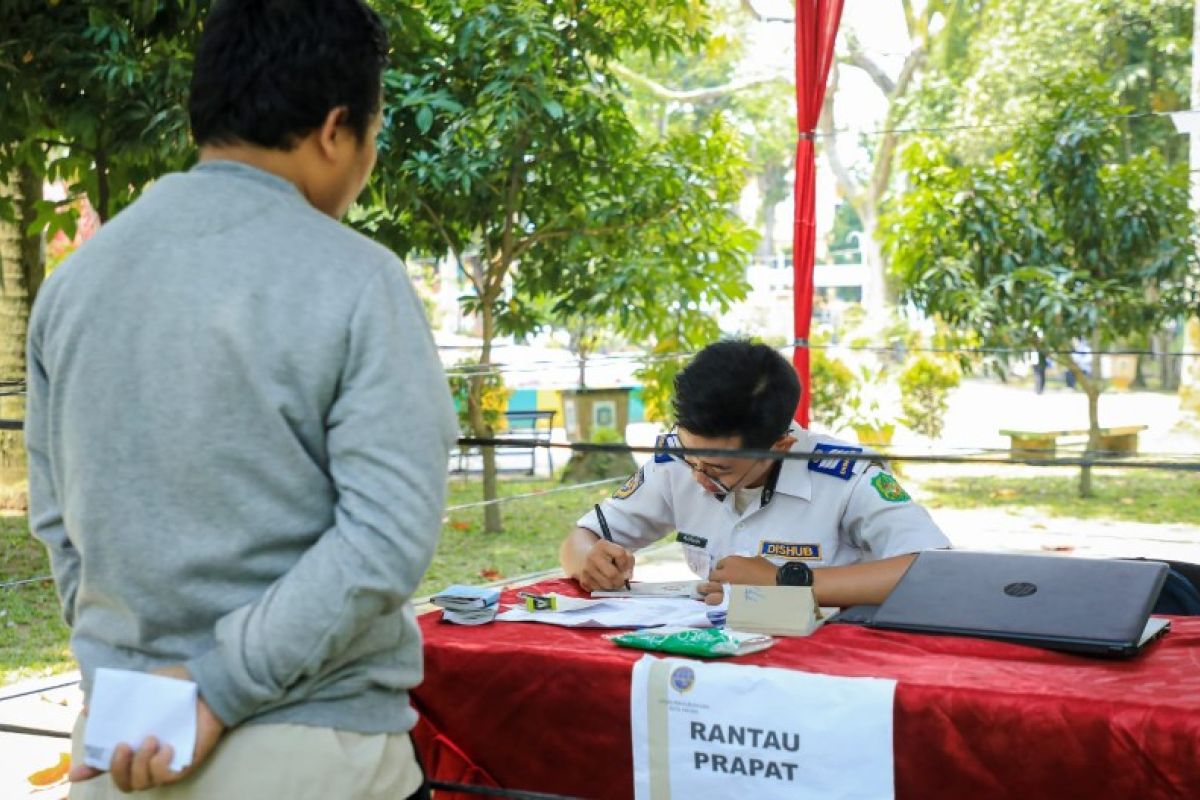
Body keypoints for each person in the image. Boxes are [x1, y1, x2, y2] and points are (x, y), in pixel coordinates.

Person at [25, 1, 456, 797]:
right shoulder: (358, 278)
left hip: (122, 748)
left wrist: (134, 682)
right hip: (314, 755)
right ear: (336, 130)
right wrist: (216, 687)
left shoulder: (74, 285)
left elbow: (57, 524)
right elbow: (385, 536)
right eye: (372, 133)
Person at [560, 340, 950, 607]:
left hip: (824, 666)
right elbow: (581, 538)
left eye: (718, 469)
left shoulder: (845, 476)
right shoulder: (677, 461)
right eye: (692, 459)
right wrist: (588, 560)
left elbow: (934, 570)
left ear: (779, 446)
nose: (697, 477)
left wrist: (785, 583)